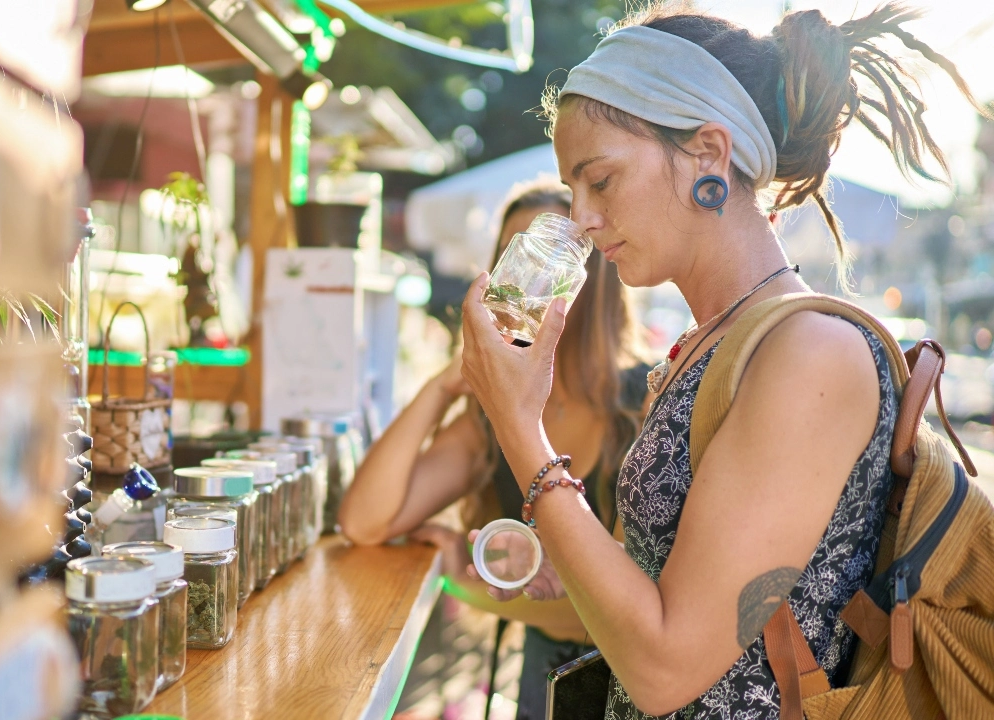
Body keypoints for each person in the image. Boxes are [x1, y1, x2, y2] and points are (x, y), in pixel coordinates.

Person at [459, 5, 987, 719]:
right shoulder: (716, 344)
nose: (580, 216)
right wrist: (575, 557)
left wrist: (521, 430)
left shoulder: (810, 356)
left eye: (601, 180)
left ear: (708, 154)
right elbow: (673, 591)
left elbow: (665, 668)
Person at [339, 180, 650, 720]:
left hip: (634, 682)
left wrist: (476, 578)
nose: (527, 285)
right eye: (519, 257)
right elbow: (364, 522)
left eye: (552, 260)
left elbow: (631, 603)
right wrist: (447, 380)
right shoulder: (490, 417)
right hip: (545, 669)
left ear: (590, 278)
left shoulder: (644, 399)